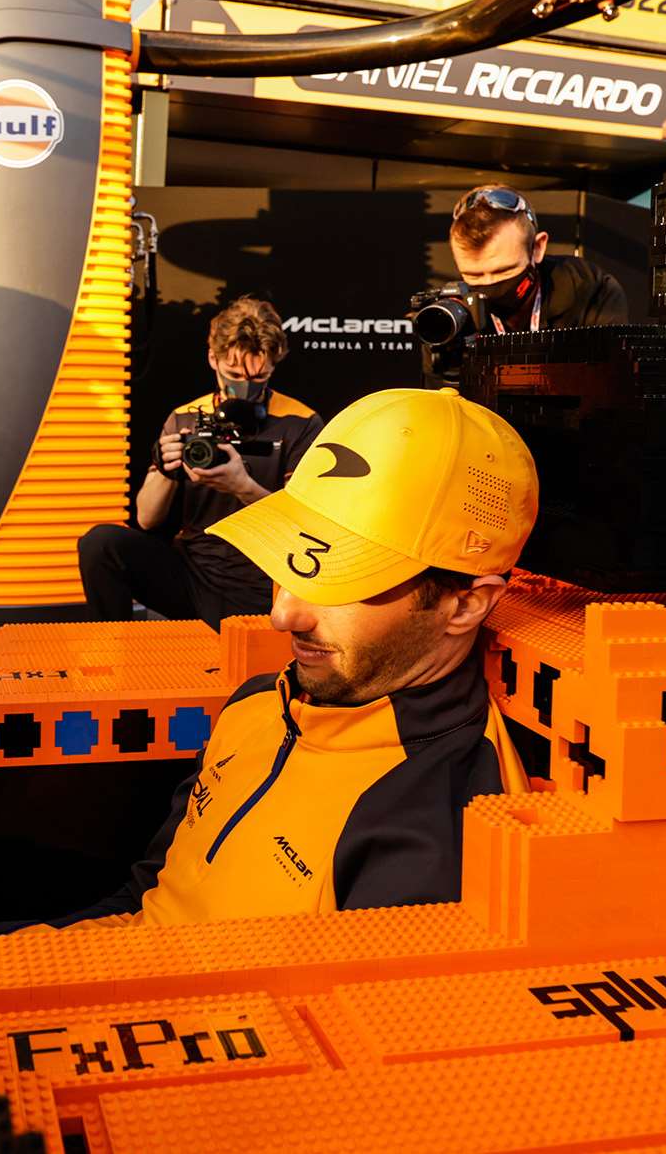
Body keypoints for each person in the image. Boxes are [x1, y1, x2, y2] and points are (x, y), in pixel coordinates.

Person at [39, 387, 539, 925]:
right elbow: (148, 893)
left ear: (465, 605)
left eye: (345, 578)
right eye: (294, 559)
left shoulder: (435, 826)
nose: (284, 615)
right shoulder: (258, 701)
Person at [78, 298, 323, 628]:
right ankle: (114, 651)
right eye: (233, 374)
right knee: (101, 544)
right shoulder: (185, 418)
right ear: (213, 358)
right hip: (195, 572)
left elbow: (305, 527)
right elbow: (147, 519)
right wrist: (166, 469)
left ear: (273, 367)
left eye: (258, 377)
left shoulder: (300, 422)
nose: (244, 388)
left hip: (265, 581)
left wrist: (244, 488)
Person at [447, 185, 628, 333]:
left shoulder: (591, 290)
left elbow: (608, 374)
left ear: (537, 248)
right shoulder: (450, 315)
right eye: (473, 275)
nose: (490, 284)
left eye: (504, 271)